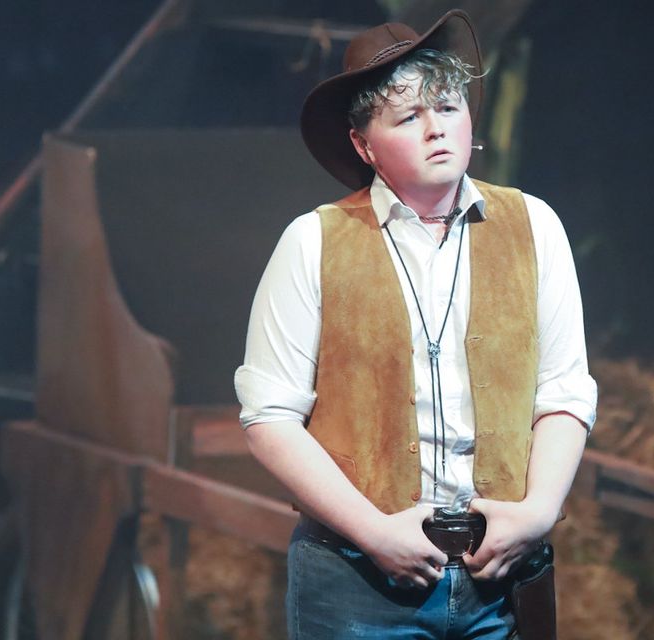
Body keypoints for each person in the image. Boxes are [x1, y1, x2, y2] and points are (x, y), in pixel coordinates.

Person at [234, 10, 597, 639]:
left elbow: (563, 392)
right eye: (409, 117)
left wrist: (538, 513)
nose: (438, 130)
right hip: (357, 581)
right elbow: (269, 416)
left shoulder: (533, 226)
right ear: (364, 144)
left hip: (501, 573)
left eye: (449, 107)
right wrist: (375, 532)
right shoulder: (314, 241)